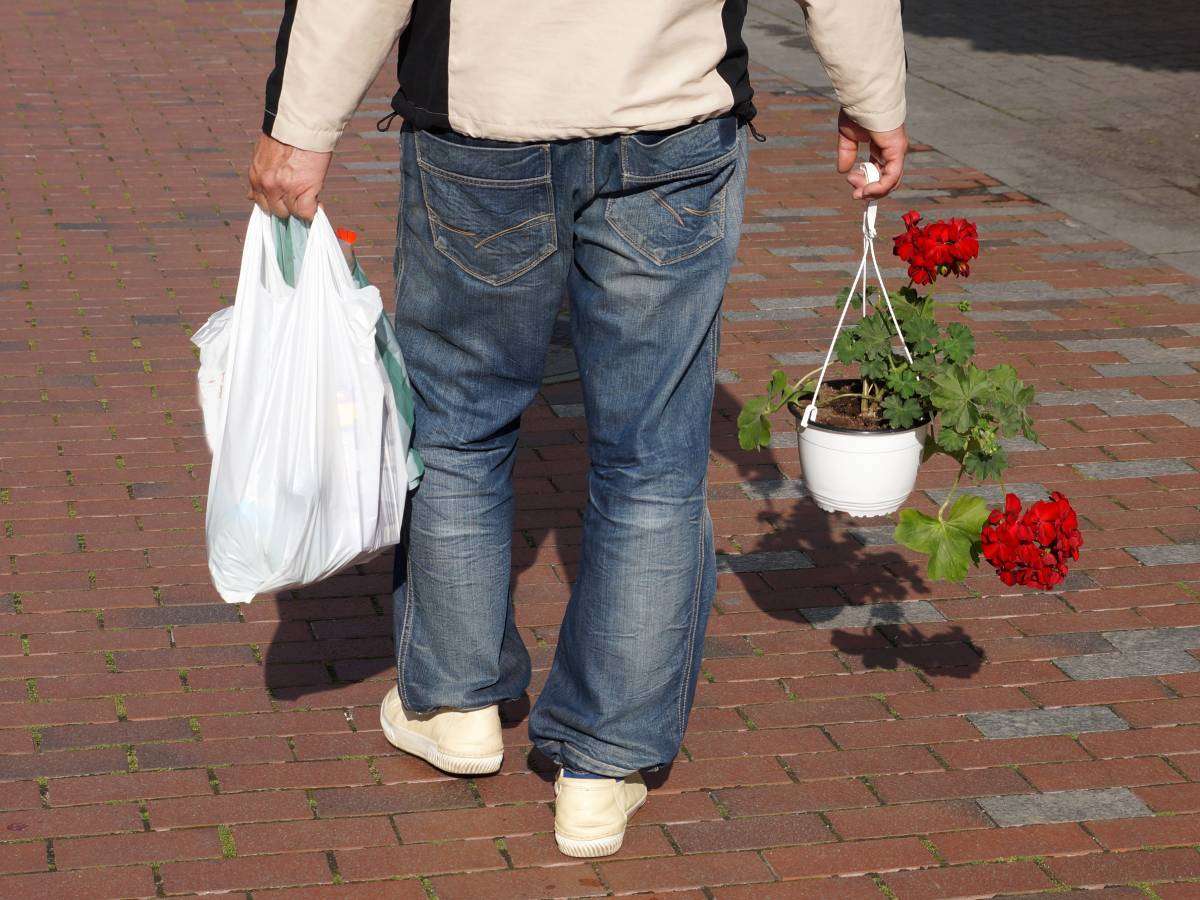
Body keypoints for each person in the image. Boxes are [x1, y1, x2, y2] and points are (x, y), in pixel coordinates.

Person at [248, 0, 908, 859]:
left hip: (488, 114)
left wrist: (300, 123)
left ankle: (456, 704)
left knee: (457, 428)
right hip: (671, 111)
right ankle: (603, 768)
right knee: (653, 462)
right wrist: (873, 92)